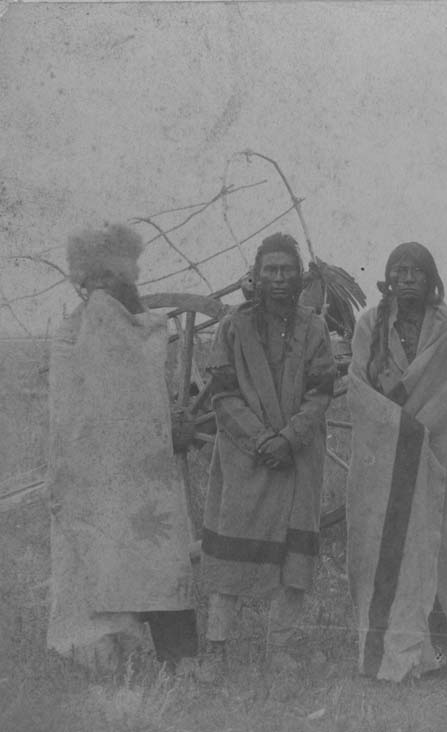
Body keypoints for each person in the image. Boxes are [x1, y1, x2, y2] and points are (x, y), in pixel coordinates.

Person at [46, 223, 198, 674]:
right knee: (106, 562)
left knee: (161, 556)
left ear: (127, 279)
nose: (102, 292)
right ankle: (113, 659)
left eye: (112, 280)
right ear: (82, 281)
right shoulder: (70, 335)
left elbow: (150, 391)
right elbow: (68, 414)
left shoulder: (142, 328)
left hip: (146, 473)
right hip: (97, 476)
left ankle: (180, 657)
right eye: (94, 281)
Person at [346, 242, 447, 681]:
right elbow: (358, 385)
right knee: (383, 546)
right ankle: (390, 650)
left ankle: (442, 653)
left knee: (443, 543)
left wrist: (414, 433)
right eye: (399, 270)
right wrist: (397, 430)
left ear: (431, 279)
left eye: (417, 272)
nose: (407, 278)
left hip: (436, 447)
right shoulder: (369, 324)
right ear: (388, 277)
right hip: (383, 454)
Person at [200, 232, 336, 672]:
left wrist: (289, 438)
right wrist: (262, 440)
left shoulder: (314, 328)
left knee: (294, 556)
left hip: (297, 457)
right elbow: (223, 394)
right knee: (231, 555)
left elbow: (321, 391)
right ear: (255, 278)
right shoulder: (232, 328)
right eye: (269, 270)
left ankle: (281, 644)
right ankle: (217, 648)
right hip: (245, 457)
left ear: (299, 277)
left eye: (286, 270)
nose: (278, 278)